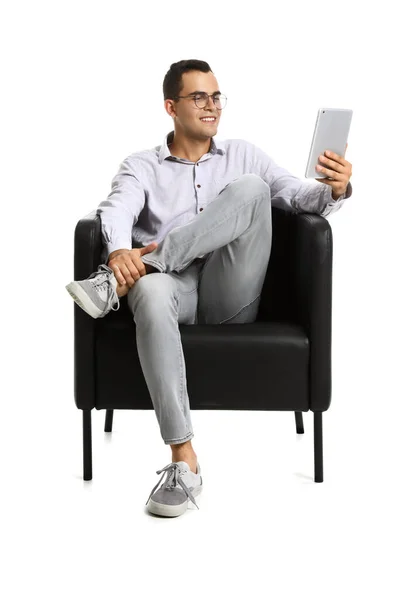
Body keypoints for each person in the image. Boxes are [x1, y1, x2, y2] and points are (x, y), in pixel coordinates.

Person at [66, 59, 353, 518]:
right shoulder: (141, 166)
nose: (211, 105)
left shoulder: (244, 156)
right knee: (150, 291)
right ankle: (184, 458)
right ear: (171, 106)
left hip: (229, 292)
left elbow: (299, 197)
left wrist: (335, 189)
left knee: (253, 188)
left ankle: (122, 278)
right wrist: (120, 250)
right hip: (170, 293)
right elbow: (115, 210)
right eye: (199, 97)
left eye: (216, 96)